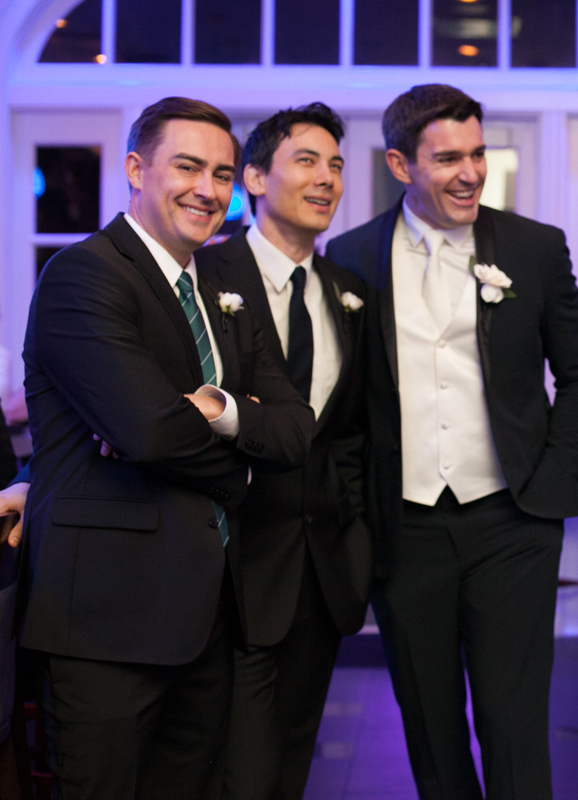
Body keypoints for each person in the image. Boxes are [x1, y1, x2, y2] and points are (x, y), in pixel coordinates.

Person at [15, 97, 314, 799]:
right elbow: (148, 430)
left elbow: (297, 427)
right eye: (187, 167)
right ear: (134, 168)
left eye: (221, 173)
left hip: (206, 613)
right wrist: (242, 467)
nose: (208, 190)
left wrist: (215, 409)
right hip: (105, 618)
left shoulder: (221, 285)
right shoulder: (83, 276)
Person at [325, 83, 578, 800]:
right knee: (432, 734)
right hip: (405, 531)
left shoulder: (534, 248)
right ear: (399, 164)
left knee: (515, 731)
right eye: (448, 158)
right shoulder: (351, 259)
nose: (471, 172)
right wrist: (362, 512)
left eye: (478, 153)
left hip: (512, 524)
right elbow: (344, 411)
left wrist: (548, 488)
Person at [194, 102, 371, 800]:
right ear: (256, 179)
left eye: (336, 166)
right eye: (308, 161)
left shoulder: (350, 292)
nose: (327, 179)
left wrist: (354, 533)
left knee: (292, 769)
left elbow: (349, 432)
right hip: (227, 570)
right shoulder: (206, 275)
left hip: (319, 575)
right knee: (234, 771)